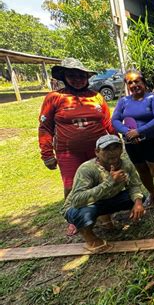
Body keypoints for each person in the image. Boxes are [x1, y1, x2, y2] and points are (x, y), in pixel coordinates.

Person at [39, 58, 115, 236]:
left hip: (98, 150)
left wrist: (116, 142)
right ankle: (73, 218)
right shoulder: (54, 98)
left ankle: (104, 216)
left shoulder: (96, 97)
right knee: (72, 186)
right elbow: (45, 127)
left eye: (81, 75)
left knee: (102, 181)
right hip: (68, 152)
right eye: (72, 75)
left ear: (87, 77)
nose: (77, 79)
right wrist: (47, 153)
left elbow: (107, 123)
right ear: (64, 77)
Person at [62, 135, 145, 252]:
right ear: (97, 152)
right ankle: (89, 238)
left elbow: (134, 185)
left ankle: (104, 218)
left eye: (116, 147)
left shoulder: (125, 165)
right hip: (78, 206)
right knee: (83, 213)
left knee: (138, 198)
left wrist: (138, 203)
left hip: (105, 199)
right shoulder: (87, 169)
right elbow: (77, 200)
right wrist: (110, 182)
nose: (112, 152)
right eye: (107, 149)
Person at [112, 71, 154, 214]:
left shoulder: (153, 98)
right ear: (127, 85)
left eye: (137, 81)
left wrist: (139, 131)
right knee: (142, 170)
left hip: (153, 141)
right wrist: (127, 132)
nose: (134, 85)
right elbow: (115, 119)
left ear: (144, 83)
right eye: (130, 82)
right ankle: (152, 193)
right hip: (132, 144)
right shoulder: (123, 101)